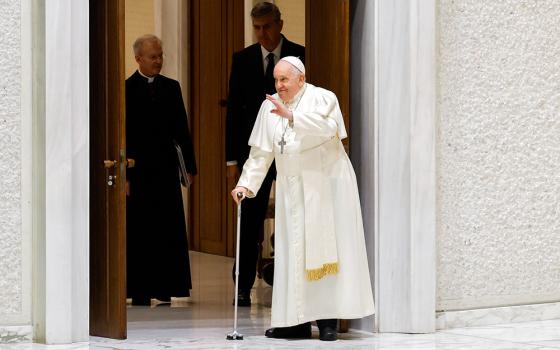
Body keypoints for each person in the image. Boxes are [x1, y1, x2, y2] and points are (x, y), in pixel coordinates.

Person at [231, 57, 375, 341]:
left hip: (325, 186)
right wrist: (245, 185)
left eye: (284, 80)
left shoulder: (323, 98)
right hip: (291, 189)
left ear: (301, 78)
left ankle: (327, 322)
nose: (279, 85)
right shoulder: (268, 106)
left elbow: (330, 130)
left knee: (324, 252)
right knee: (292, 255)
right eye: (275, 80)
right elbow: (261, 153)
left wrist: (293, 117)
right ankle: (295, 322)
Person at [226, 1, 305, 307]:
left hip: (291, 149)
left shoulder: (300, 55)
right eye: (257, 28)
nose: (262, 33)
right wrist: (232, 160)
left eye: (268, 26)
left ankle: (290, 281)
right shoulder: (243, 59)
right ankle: (242, 285)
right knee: (249, 218)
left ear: (280, 24)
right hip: (256, 151)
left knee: (292, 213)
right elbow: (233, 112)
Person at [126, 34, 197, 306]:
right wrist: (126, 176)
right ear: (138, 59)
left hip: (166, 169)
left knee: (167, 229)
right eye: (153, 57)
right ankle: (140, 290)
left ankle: (166, 286)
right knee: (141, 232)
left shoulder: (172, 87)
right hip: (138, 171)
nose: (158, 61)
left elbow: (182, 129)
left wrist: (188, 167)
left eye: (160, 55)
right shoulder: (127, 88)